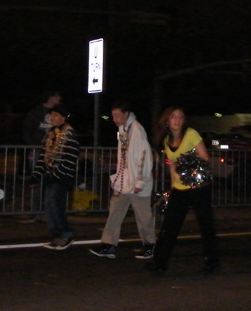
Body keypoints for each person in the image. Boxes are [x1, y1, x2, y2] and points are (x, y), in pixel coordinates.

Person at [145, 107, 220, 275]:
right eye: (173, 117)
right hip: (180, 189)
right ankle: (159, 263)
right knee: (169, 226)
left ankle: (212, 262)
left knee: (206, 225)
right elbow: (172, 165)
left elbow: (204, 158)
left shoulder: (191, 134)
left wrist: (188, 166)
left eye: (180, 117)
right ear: (167, 121)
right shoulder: (166, 141)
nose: (177, 120)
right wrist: (172, 188)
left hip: (199, 187)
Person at [90, 101, 156, 259]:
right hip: (125, 182)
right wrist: (118, 180)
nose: (114, 119)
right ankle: (108, 245)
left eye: (117, 115)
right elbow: (123, 157)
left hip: (138, 183)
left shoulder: (137, 130)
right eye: (113, 115)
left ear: (126, 114)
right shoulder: (122, 129)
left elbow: (144, 157)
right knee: (115, 211)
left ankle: (150, 245)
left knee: (143, 216)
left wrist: (140, 181)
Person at [30, 104, 80, 249]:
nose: (53, 118)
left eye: (56, 115)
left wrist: (57, 175)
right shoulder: (52, 134)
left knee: (55, 204)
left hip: (61, 177)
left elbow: (69, 159)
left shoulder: (69, 134)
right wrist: (36, 176)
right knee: (49, 205)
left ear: (63, 118)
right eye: (52, 115)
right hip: (50, 176)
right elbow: (44, 158)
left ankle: (66, 234)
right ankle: (56, 235)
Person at [21, 90, 63, 221]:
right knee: (37, 181)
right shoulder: (36, 112)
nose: (60, 98)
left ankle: (50, 210)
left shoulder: (60, 112)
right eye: (57, 96)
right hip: (38, 149)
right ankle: (35, 212)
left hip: (53, 150)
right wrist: (32, 146)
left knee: (52, 181)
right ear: (51, 97)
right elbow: (27, 130)